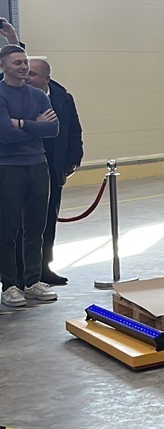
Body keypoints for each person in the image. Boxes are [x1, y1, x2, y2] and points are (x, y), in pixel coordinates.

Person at [0, 45, 60, 308]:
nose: (23, 67)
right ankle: (10, 285)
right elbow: (4, 134)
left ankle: (33, 281)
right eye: (17, 63)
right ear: (3, 66)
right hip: (8, 167)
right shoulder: (1, 94)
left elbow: (53, 129)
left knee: (36, 227)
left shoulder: (38, 95)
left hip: (38, 166)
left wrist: (21, 123)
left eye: (25, 62)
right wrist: (36, 125)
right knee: (8, 229)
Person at [24, 57, 82, 287]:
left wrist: (74, 158)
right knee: (22, 223)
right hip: (24, 168)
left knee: (49, 220)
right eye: (25, 72)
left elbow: (73, 130)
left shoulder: (63, 98)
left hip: (53, 167)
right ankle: (20, 271)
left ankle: (44, 267)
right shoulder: (15, 97)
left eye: (32, 74)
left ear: (46, 78)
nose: (26, 77)